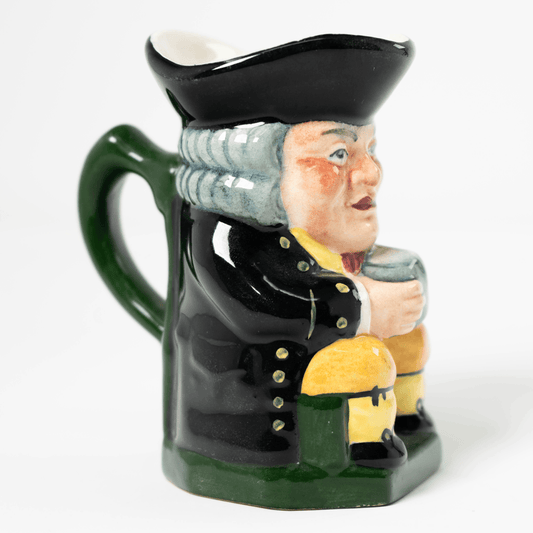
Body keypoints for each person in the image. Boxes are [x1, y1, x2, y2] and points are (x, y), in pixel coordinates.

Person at [147, 32, 434, 472]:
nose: (371, 172)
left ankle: (404, 418)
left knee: (406, 339)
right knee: (366, 359)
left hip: (324, 358)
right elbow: (268, 305)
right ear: (263, 173)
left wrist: (401, 285)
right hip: (258, 416)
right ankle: (363, 449)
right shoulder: (227, 235)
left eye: (369, 149)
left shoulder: (324, 233)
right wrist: (368, 306)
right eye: (339, 154)